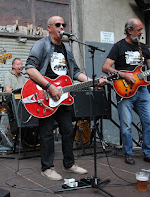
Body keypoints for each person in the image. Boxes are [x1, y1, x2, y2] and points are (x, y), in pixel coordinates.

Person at [25, 16, 107, 181]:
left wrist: (93, 82)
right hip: (46, 95)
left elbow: (75, 72)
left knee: (68, 131)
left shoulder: (67, 49)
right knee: (47, 133)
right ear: (49, 28)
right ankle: (47, 168)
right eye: (58, 25)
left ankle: (69, 164)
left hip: (63, 97)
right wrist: (49, 87)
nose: (62, 27)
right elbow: (30, 69)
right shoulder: (41, 45)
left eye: (64, 24)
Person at [102, 18, 150, 165]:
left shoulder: (143, 47)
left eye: (142, 30)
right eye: (138, 30)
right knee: (126, 126)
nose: (141, 33)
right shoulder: (118, 46)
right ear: (129, 31)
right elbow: (105, 67)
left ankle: (148, 153)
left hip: (142, 90)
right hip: (124, 90)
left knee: (149, 123)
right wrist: (124, 75)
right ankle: (128, 153)